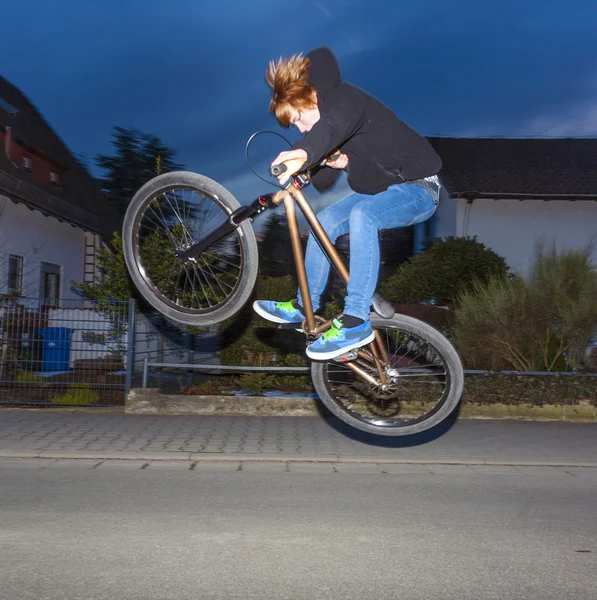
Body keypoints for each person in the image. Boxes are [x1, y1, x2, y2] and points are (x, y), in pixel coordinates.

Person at [253, 47, 442, 360]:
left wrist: (302, 153)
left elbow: (330, 127)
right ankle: (305, 305)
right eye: (296, 128)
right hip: (385, 191)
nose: (300, 129)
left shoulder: (347, 101)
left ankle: (355, 320)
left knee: (362, 215)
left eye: (299, 119)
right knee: (323, 221)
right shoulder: (333, 132)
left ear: (312, 99)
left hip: (420, 189)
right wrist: (331, 162)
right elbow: (325, 177)